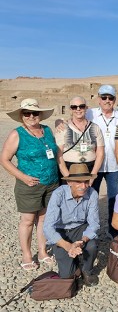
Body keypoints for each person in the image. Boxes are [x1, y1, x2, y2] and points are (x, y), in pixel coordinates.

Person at [0, 98, 58, 271]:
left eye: (34, 113)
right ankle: (26, 254)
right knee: (27, 220)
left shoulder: (47, 130)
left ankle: (42, 251)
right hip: (29, 185)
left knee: (44, 218)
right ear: (21, 116)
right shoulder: (17, 134)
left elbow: (55, 152)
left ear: (40, 115)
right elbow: (4, 159)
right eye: (27, 113)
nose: (31, 116)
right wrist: (23, 177)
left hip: (51, 183)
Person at [43, 163, 100, 286]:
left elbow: (94, 223)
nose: (83, 186)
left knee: (92, 245)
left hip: (80, 229)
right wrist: (68, 246)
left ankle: (87, 269)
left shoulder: (92, 194)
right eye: (78, 182)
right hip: (61, 231)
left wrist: (83, 241)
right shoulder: (59, 194)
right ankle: (75, 263)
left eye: (86, 182)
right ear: (69, 183)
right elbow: (48, 227)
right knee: (67, 277)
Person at [85, 85, 118, 239]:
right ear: (98, 99)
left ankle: (112, 230)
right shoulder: (90, 114)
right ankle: (91, 230)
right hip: (95, 165)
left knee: (113, 199)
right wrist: (59, 122)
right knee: (91, 198)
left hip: (114, 166)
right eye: (104, 97)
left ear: (115, 99)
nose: (107, 101)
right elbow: (73, 117)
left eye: (110, 98)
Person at [56, 96, 105, 179]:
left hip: (89, 168)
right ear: (70, 110)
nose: (78, 109)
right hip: (69, 168)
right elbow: (59, 154)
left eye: (81, 106)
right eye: (74, 107)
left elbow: (100, 153)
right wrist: (66, 175)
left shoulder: (95, 127)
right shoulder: (62, 128)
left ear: (86, 108)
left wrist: (93, 175)